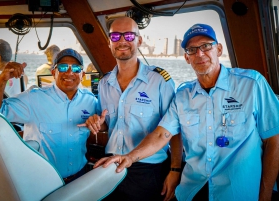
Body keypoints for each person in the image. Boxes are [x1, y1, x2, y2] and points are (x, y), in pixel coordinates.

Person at [93, 23, 279, 201]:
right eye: (192, 50)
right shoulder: (183, 95)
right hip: (194, 189)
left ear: (219, 50)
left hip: (238, 191)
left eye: (206, 46)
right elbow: (161, 134)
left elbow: (274, 139)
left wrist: (265, 196)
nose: (199, 53)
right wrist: (129, 157)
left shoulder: (251, 84)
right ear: (187, 58)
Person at [78, 17, 182, 201]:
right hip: (110, 165)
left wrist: (175, 170)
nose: (122, 41)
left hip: (148, 169)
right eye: (116, 36)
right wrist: (97, 124)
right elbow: (107, 125)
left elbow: (174, 130)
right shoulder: (104, 83)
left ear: (139, 40)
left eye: (129, 35)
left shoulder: (159, 81)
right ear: (110, 42)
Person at [0, 48, 98, 184]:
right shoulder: (33, 98)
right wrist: (2, 79)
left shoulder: (91, 101)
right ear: (53, 72)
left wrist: (98, 122)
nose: (69, 72)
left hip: (79, 177)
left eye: (76, 68)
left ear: (83, 74)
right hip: (43, 181)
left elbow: (101, 122)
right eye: (62, 67)